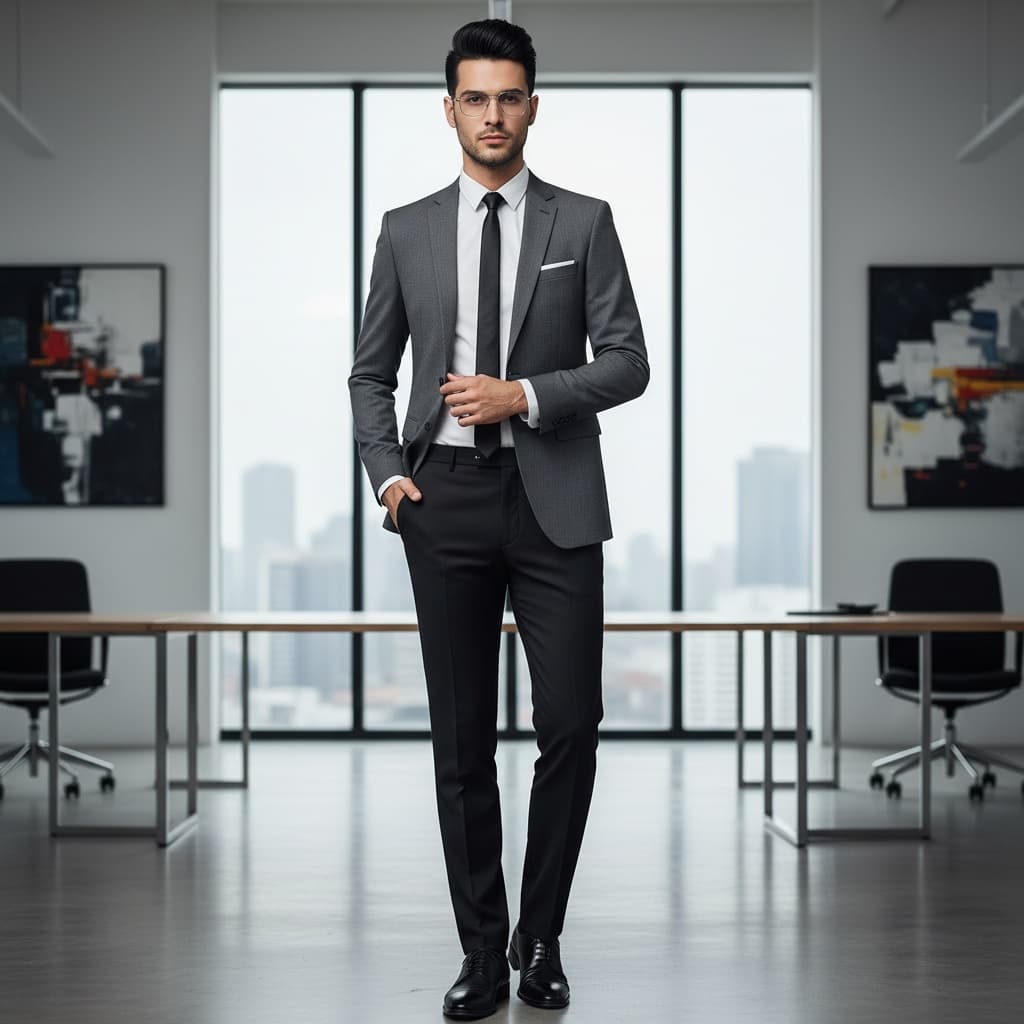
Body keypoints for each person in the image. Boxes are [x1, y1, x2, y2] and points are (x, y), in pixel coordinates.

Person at [349, 18, 648, 1020]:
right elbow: (369, 371)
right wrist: (389, 476)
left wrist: (521, 394)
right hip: (445, 500)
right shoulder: (403, 228)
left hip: (556, 500)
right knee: (459, 740)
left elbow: (627, 362)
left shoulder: (584, 221)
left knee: (570, 724)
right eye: (474, 98)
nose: (491, 114)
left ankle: (541, 938)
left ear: (531, 105)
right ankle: (481, 950)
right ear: (450, 110)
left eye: (508, 96)